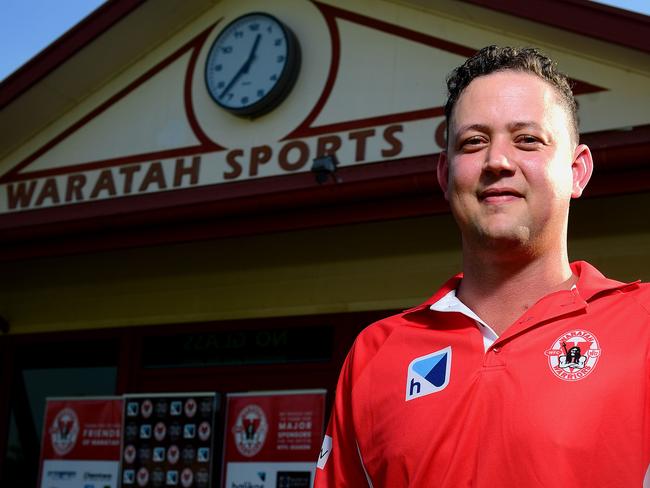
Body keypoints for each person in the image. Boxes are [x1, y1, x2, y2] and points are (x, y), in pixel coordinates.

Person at [314, 45, 650, 487]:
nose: (497, 162)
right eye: (474, 142)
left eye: (527, 139)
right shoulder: (374, 355)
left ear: (577, 171)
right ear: (444, 174)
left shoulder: (643, 326)